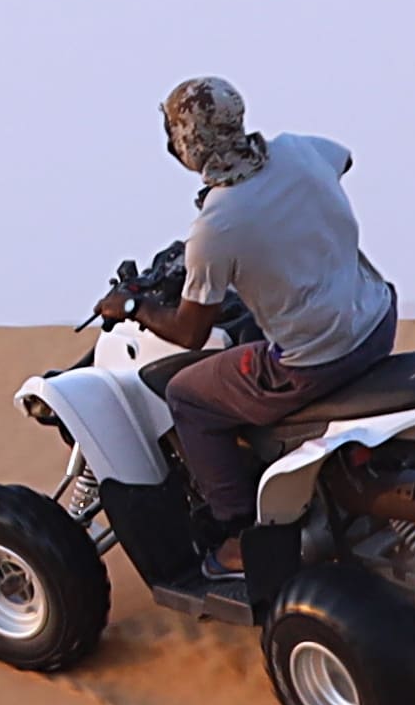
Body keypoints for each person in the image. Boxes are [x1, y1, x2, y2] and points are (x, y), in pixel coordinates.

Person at [129, 77, 398, 570]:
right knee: (252, 334)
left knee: (187, 395)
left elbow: (190, 333)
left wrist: (133, 309)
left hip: (319, 360)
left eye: (173, 133)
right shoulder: (299, 150)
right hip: (377, 319)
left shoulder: (218, 226)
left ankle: (236, 532)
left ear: (188, 142)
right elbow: (345, 159)